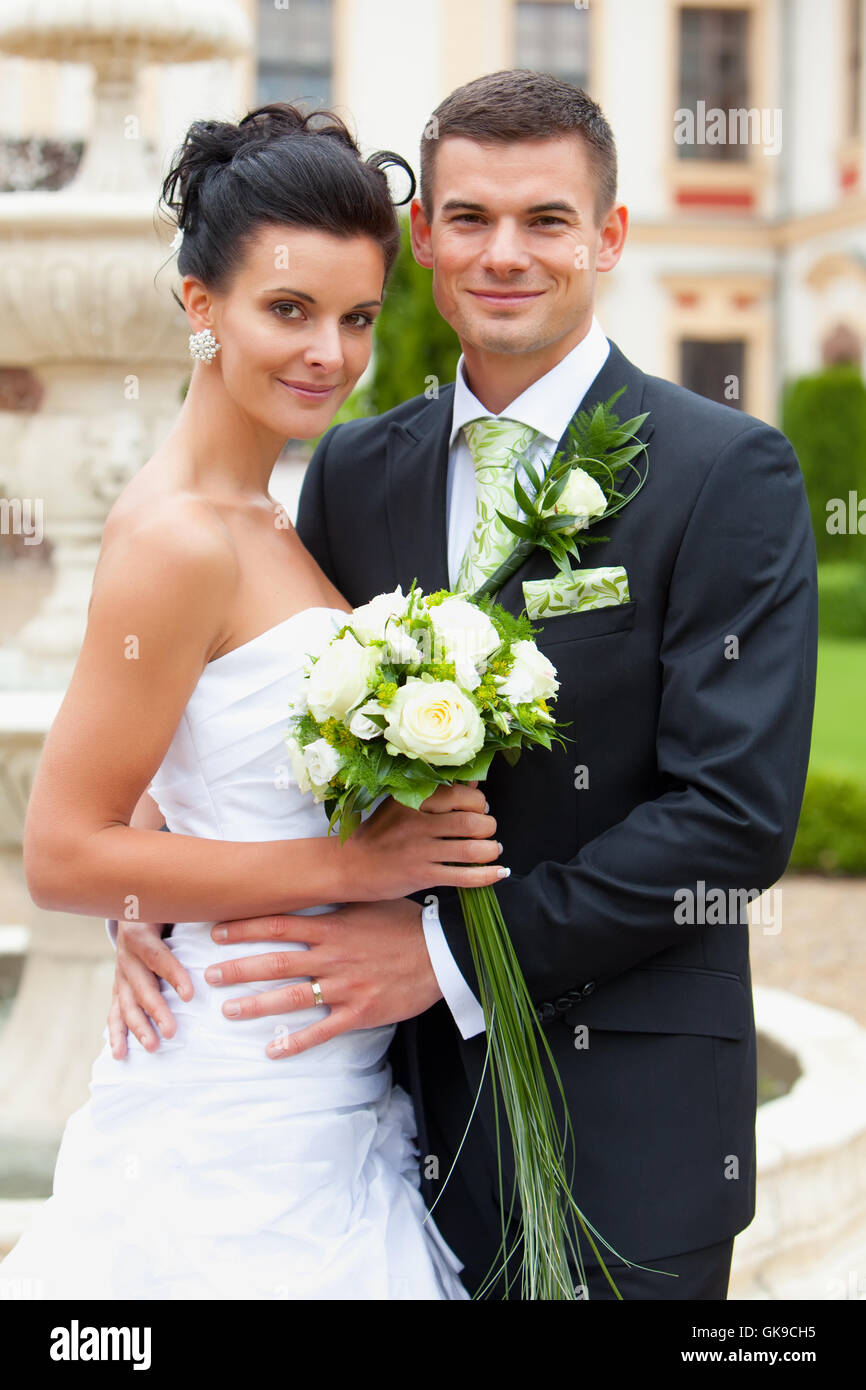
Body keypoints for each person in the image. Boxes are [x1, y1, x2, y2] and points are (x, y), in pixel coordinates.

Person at [109, 71, 818, 1300]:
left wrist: (437, 958)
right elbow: (283, 711)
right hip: (385, 1123)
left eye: (545, 220)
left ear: (606, 236)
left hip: (631, 1136)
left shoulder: (726, 473)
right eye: (469, 219)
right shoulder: (352, 471)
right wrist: (150, 873)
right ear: (424, 235)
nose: (505, 254)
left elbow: (729, 826)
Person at [0, 103, 509, 1301]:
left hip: (322, 1085)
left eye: (354, 316)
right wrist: (367, 870)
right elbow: (65, 854)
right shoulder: (177, 537)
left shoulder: (270, 509)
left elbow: (184, 779)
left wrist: (162, 880)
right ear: (199, 308)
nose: (326, 351)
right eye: (287, 310)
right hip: (234, 1100)